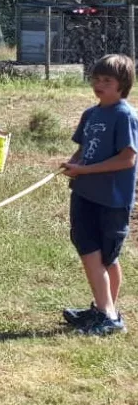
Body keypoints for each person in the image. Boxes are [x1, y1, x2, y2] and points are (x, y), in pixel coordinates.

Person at [60, 53, 137, 337]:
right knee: (92, 251)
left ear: (122, 85)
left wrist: (86, 170)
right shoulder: (91, 115)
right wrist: (74, 165)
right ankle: (104, 309)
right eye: (96, 79)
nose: (99, 84)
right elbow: (82, 149)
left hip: (112, 199)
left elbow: (127, 160)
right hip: (84, 194)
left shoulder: (125, 116)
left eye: (107, 80)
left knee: (104, 257)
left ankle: (109, 316)